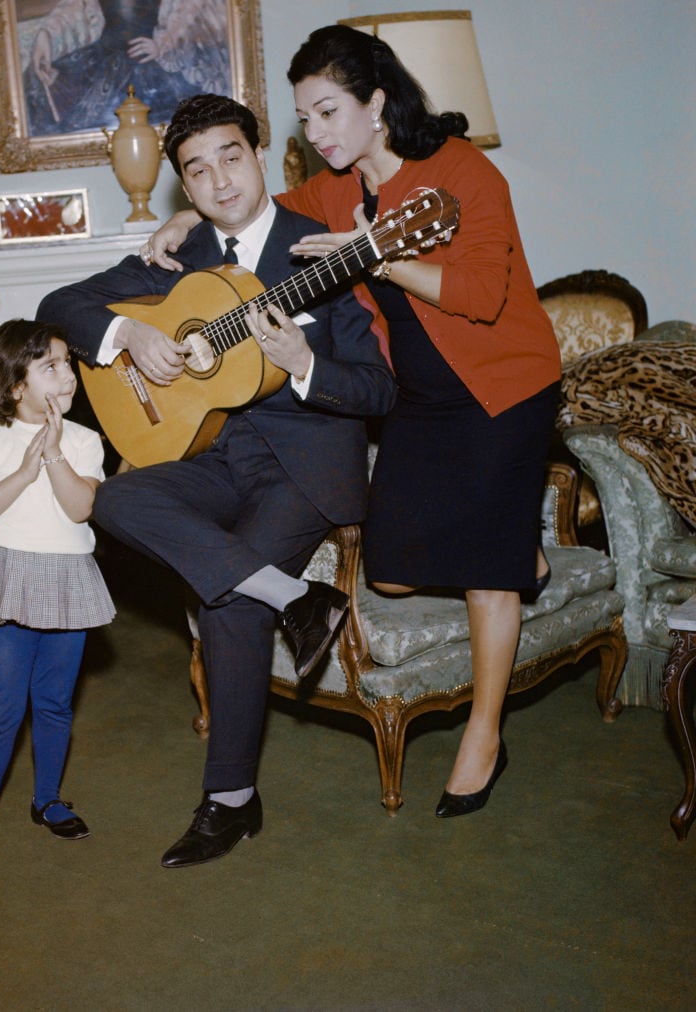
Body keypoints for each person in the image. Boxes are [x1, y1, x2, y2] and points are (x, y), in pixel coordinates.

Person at [146, 25, 562, 819]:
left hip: (500, 387)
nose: (318, 134)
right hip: (419, 398)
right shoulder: (335, 188)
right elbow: (262, 208)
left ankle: (484, 735)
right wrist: (182, 226)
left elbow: (479, 294)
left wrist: (375, 254)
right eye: (306, 120)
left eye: (330, 112)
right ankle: (519, 552)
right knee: (391, 567)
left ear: (377, 103)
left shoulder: (461, 171)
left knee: (484, 573)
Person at [38, 93, 395, 868]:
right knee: (117, 497)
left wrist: (305, 366)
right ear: (183, 186)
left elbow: (379, 389)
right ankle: (296, 600)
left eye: (232, 157)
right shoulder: (180, 255)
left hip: (301, 468)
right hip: (206, 457)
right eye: (197, 170)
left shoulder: (321, 251)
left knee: (224, 596)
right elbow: (57, 306)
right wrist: (128, 330)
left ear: (259, 155)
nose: (219, 180)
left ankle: (229, 799)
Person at [0, 320, 116, 881]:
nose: (68, 375)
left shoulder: (85, 440)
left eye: (68, 363)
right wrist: (24, 468)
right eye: (51, 366)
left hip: (69, 578)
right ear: (14, 383)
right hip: (7, 579)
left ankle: (47, 798)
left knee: (53, 703)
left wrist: (52, 457)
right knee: (1, 713)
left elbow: (79, 509)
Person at [25, 0, 229, 135]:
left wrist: (162, 43)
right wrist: (46, 34)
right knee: (38, 84)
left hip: (144, 61)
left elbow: (188, 11)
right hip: (102, 56)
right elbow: (73, 8)